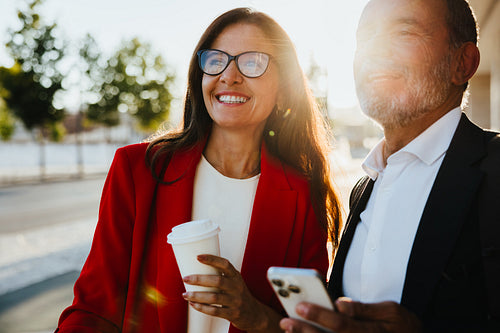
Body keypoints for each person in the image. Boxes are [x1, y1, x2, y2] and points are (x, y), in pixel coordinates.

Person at [56, 7, 342, 333]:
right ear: (200, 76)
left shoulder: (304, 196)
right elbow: (94, 310)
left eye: (251, 62)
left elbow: (312, 327)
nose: (229, 75)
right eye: (216, 59)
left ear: (283, 90)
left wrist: (255, 316)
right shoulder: (137, 170)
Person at [280, 0, 500, 332]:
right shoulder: (364, 188)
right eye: (364, 37)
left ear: (463, 62)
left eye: (404, 31)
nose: (374, 50)